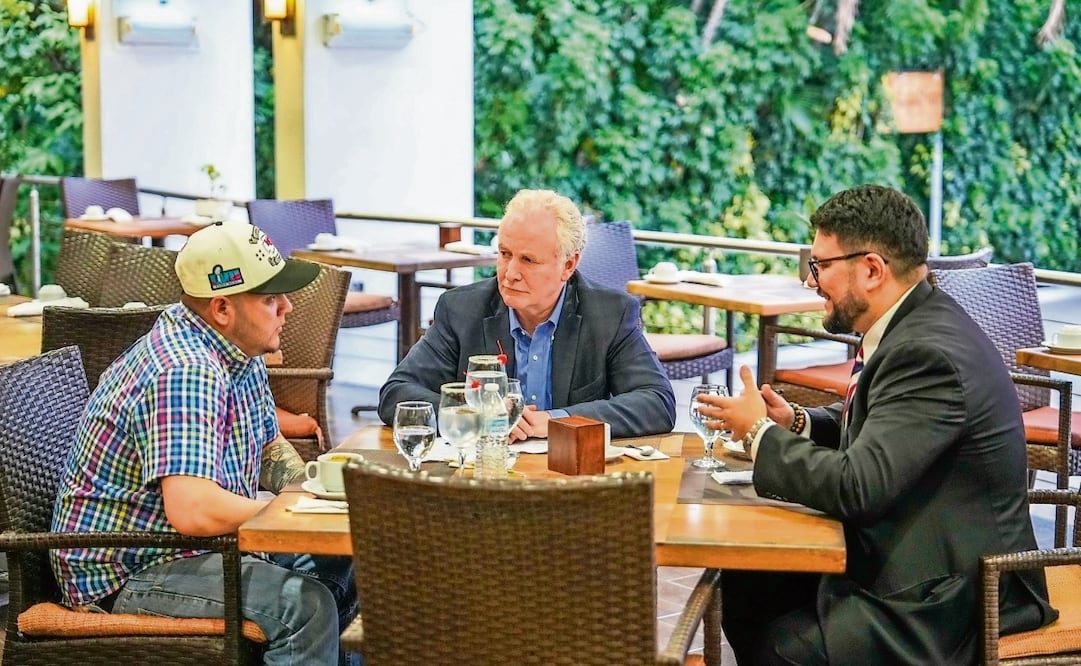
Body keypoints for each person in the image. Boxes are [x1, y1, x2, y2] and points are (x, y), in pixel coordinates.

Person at [697, 185, 1057, 665]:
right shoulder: (915, 322)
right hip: (916, 548)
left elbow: (857, 486)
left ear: (871, 269)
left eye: (819, 265)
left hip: (957, 590)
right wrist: (797, 421)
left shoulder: (925, 352)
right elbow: (887, 424)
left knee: (785, 649)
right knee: (749, 579)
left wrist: (760, 433)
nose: (809, 281)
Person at [50, 222, 358, 666]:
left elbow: (269, 446)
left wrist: (318, 494)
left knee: (348, 562)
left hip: (192, 547)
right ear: (222, 308)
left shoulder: (238, 351)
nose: (287, 307)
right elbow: (193, 510)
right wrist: (293, 514)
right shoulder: (185, 369)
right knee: (304, 607)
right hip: (129, 568)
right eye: (270, 298)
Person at [378, 188, 675, 439]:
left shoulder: (610, 314)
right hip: (486, 473)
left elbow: (656, 402)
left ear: (568, 265)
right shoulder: (461, 310)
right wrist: (477, 416)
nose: (510, 273)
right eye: (505, 254)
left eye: (528, 260)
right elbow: (396, 393)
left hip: (571, 476)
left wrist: (559, 420)